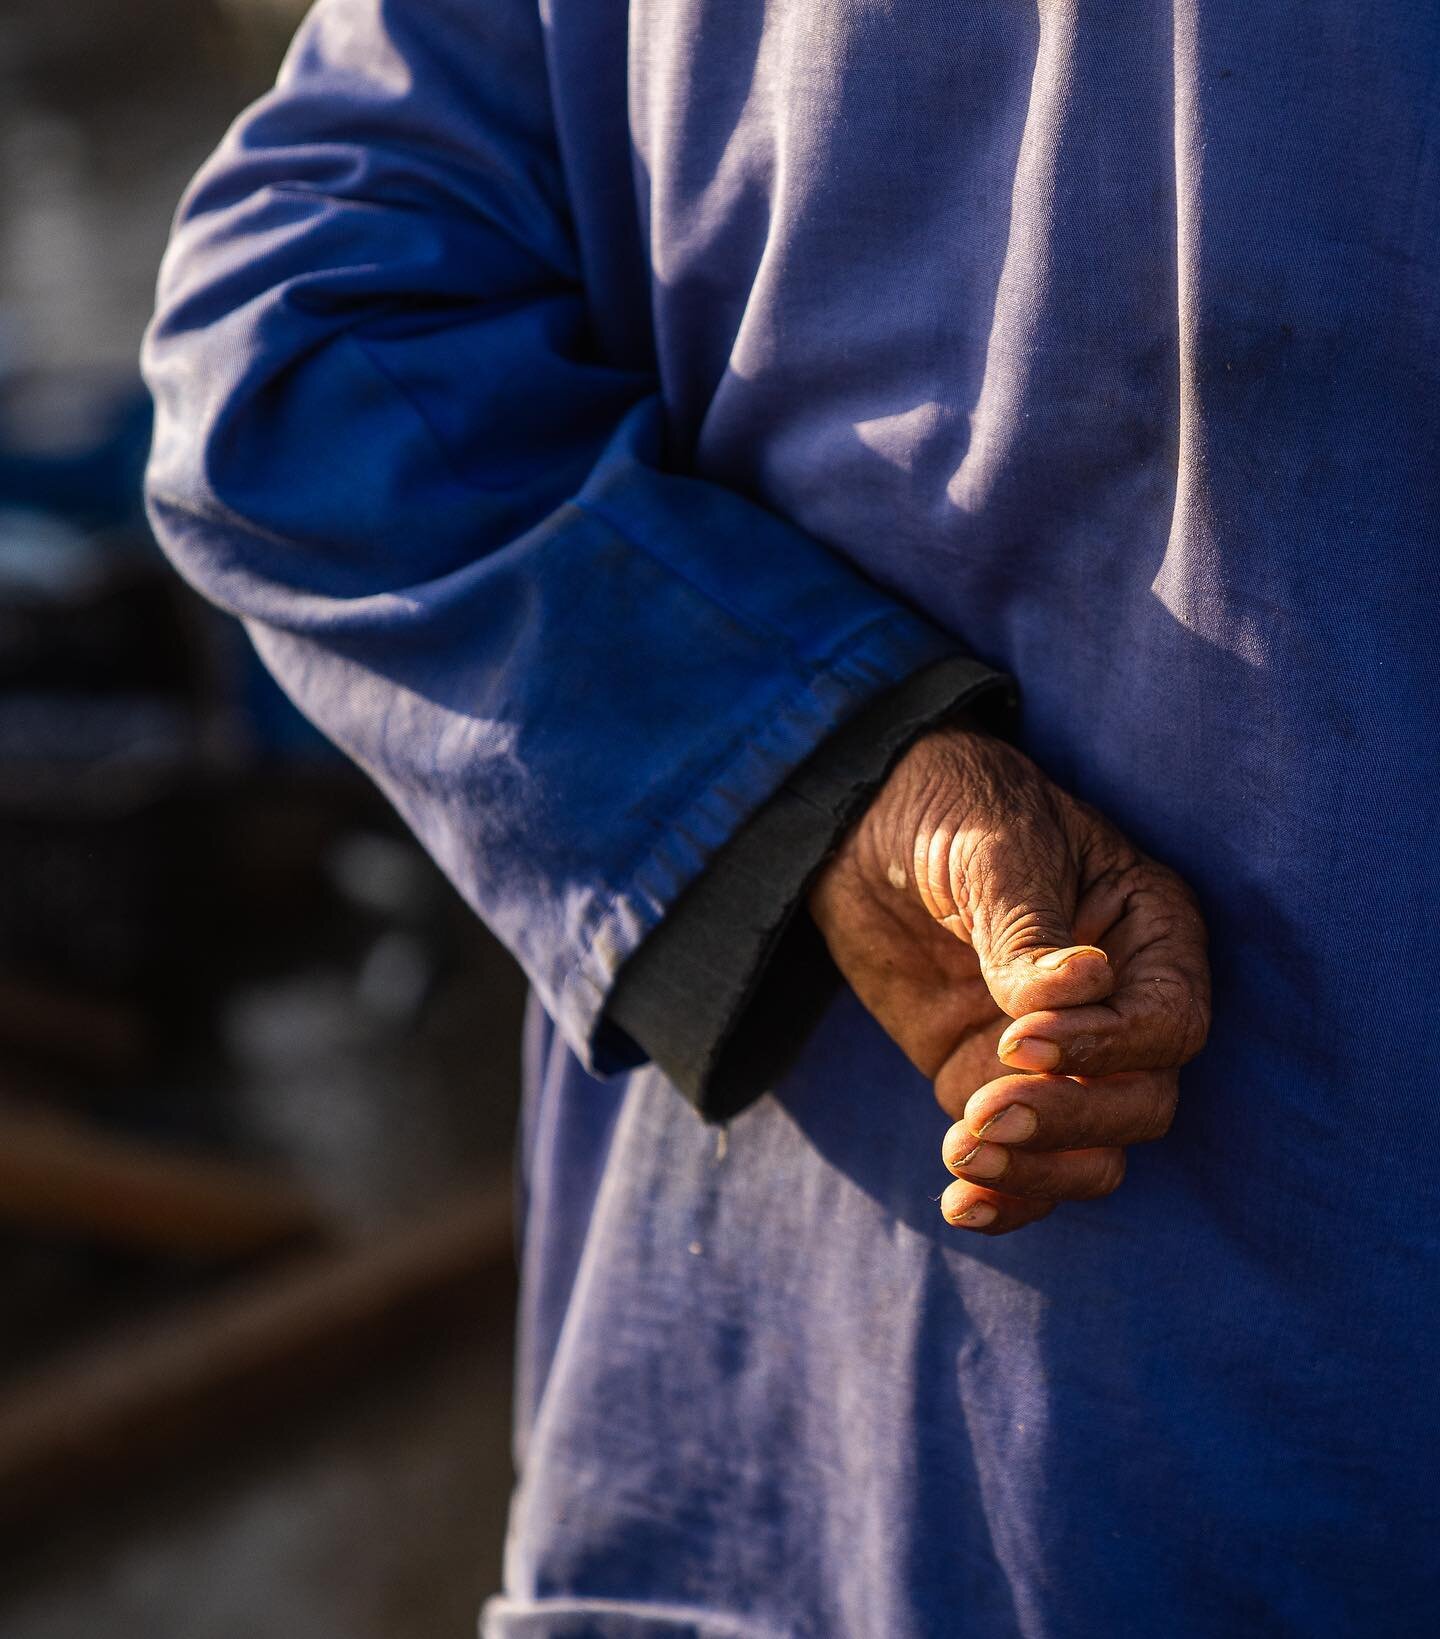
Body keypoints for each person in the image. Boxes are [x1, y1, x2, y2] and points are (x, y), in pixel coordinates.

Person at [141, 0, 1440, 1632]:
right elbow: (283, 341)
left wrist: (804, 773)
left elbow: (299, 356)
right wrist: (834, 783)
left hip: (810, 1481)